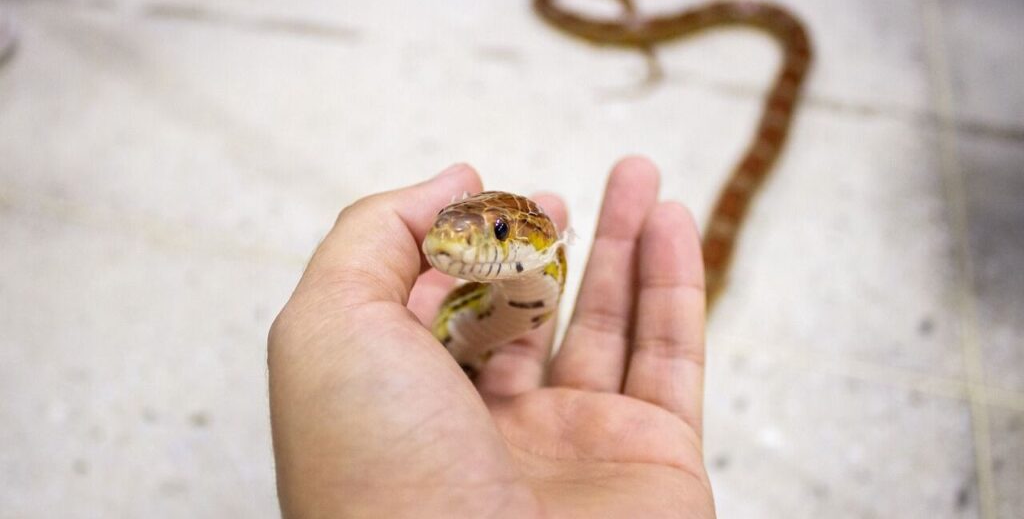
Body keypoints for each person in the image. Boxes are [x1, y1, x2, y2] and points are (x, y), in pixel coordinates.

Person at [268, 156, 716, 518]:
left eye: (499, 232)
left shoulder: (541, 259)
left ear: (540, 241)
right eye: (443, 224)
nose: (452, 242)